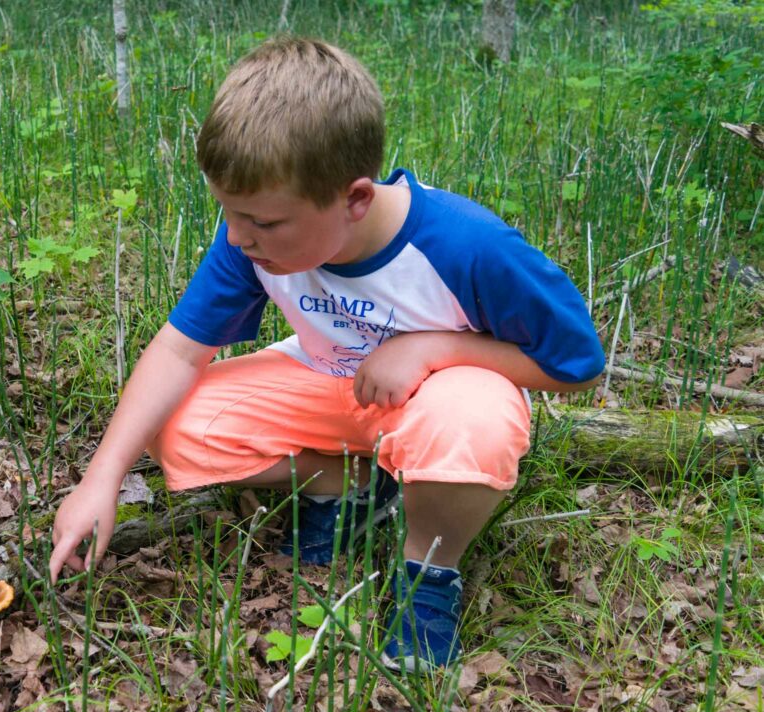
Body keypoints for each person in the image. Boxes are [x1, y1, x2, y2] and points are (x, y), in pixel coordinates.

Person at [48, 36, 604, 671]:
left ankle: (428, 573)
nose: (237, 236)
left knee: (473, 421)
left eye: (263, 222)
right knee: (170, 424)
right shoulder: (249, 239)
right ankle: (360, 488)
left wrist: (434, 346)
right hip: (328, 382)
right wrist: (102, 480)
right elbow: (178, 353)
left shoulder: (468, 245)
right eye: (228, 213)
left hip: (436, 401)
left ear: (356, 199)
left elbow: (577, 366)